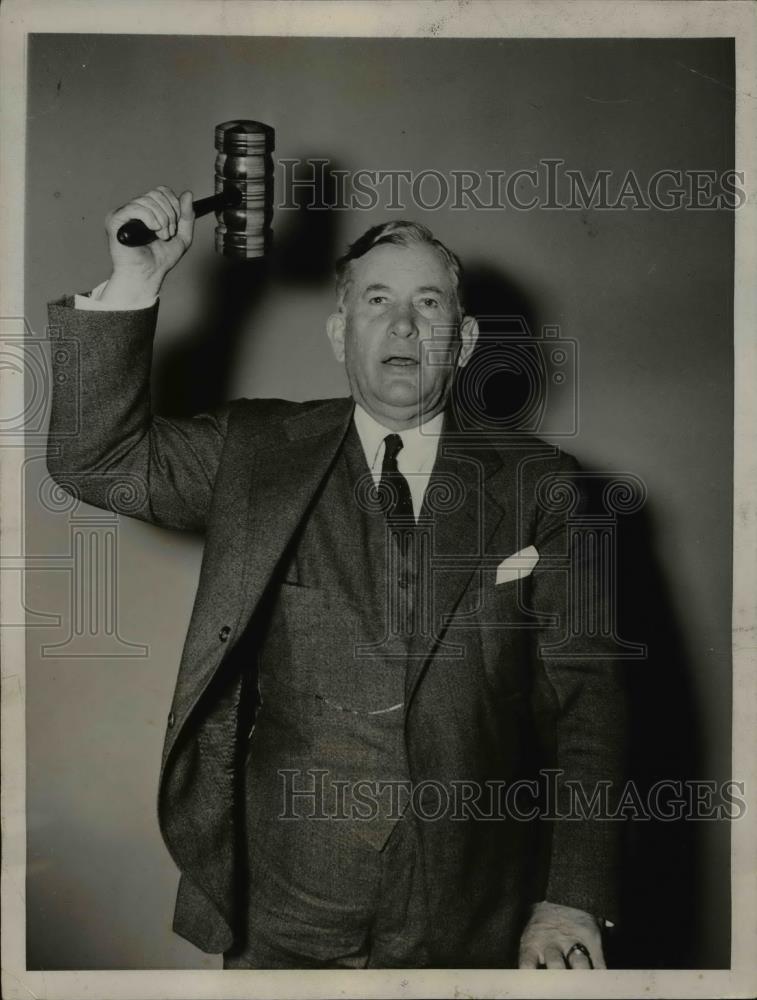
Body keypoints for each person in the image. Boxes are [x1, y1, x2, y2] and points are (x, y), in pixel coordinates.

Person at [47, 186, 627, 969]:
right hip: (284, 915)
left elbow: (589, 710)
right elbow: (96, 462)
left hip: (469, 918)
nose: (402, 325)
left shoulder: (545, 488)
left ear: (461, 341)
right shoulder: (254, 452)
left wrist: (570, 897)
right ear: (338, 331)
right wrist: (135, 280)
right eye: (376, 301)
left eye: (428, 304)